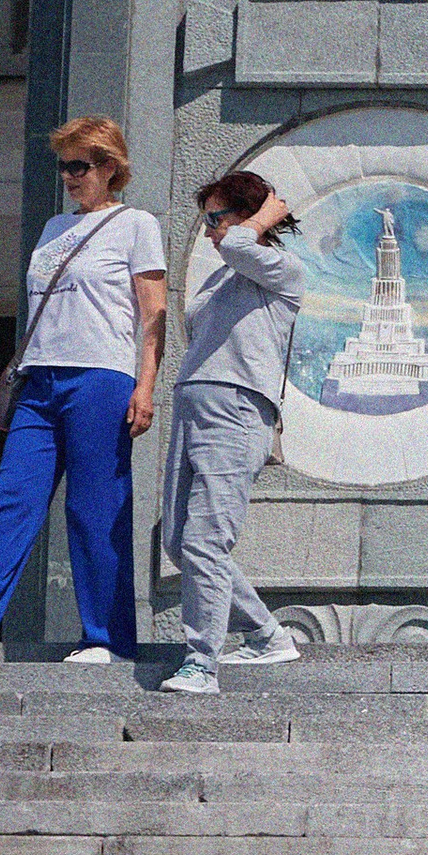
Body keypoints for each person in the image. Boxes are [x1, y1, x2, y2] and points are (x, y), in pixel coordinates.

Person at [0, 116, 166, 667]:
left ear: (110, 168)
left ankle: (104, 638)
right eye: (63, 164)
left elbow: (153, 312)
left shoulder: (137, 224)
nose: (67, 175)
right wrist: (4, 381)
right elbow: (39, 315)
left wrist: (146, 386)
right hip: (40, 378)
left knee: (95, 508)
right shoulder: (50, 229)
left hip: (101, 376)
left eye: (78, 165)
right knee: (11, 499)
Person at [157, 171, 307, 699]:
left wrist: (265, 216)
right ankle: (267, 635)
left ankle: (202, 663)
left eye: (218, 218)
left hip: (237, 410)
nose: (211, 231)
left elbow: (244, 244)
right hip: (194, 406)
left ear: (250, 217)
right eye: (207, 220)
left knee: (206, 539)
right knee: (179, 541)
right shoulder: (222, 278)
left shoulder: (281, 269)